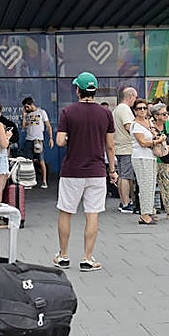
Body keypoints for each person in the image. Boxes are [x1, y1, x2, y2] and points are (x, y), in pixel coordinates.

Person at [54, 72, 116, 272]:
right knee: (93, 214)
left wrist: (71, 137)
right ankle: (87, 258)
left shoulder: (68, 112)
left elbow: (60, 141)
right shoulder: (105, 113)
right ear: (95, 91)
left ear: (77, 90)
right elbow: (110, 146)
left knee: (66, 212)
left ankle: (63, 256)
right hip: (97, 171)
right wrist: (112, 170)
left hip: (72, 170)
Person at [128, 99, 160, 225]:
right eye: (139, 108)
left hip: (151, 156)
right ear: (134, 111)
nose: (142, 110)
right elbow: (142, 143)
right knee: (145, 185)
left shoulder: (148, 122)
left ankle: (149, 211)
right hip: (141, 157)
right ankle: (144, 214)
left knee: (151, 185)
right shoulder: (135, 125)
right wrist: (156, 142)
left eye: (144, 108)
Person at [112, 87, 138, 213]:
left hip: (120, 146)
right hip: (126, 147)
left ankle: (124, 201)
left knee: (123, 174)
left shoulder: (117, 109)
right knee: (126, 176)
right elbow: (129, 127)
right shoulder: (125, 109)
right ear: (131, 96)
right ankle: (126, 203)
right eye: (135, 97)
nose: (135, 100)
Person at [21, 96, 54, 189]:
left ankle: (44, 181)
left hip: (38, 139)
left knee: (41, 160)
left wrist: (51, 138)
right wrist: (24, 116)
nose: (26, 109)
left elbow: (48, 126)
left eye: (27, 107)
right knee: (29, 161)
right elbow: (23, 127)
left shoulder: (41, 112)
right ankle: (30, 181)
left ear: (31, 105)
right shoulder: (27, 114)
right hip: (29, 139)